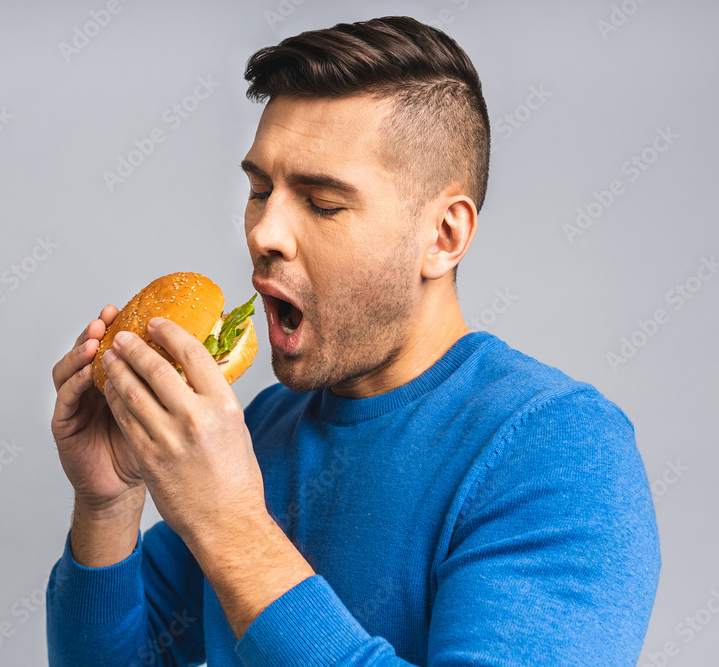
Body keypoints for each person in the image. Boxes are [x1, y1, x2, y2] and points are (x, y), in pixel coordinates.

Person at [47, 15, 660, 666]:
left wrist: (233, 526)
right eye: (260, 189)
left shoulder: (561, 452)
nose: (264, 233)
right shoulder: (261, 428)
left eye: (322, 202)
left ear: (443, 237)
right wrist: (107, 502)